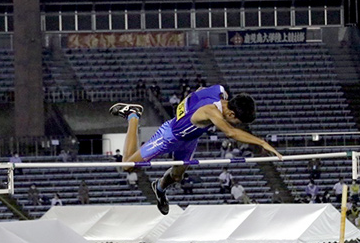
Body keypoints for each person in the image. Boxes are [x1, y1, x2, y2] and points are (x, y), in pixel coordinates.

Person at [110, 85, 282, 215]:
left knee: (177, 176)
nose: (238, 125)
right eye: (239, 121)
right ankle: (133, 115)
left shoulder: (221, 91)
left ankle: (160, 188)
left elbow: (200, 90)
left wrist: (187, 106)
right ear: (231, 114)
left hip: (189, 139)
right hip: (169, 136)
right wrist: (262, 143)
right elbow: (231, 132)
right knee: (128, 165)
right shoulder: (210, 111)